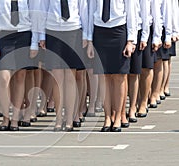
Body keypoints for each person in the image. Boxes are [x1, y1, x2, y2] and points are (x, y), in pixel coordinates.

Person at [0, 0, 40, 131]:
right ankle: (6, 118)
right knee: (4, 78)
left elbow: (35, 15)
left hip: (24, 33)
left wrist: (34, 43)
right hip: (4, 34)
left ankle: (15, 118)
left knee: (20, 77)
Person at [88, 0, 137, 132]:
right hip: (99, 31)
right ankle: (107, 117)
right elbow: (90, 11)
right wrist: (89, 40)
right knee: (104, 77)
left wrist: (131, 40)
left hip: (119, 30)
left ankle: (118, 118)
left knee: (119, 76)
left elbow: (131, 12)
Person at [40, 0, 88, 131]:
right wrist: (41, 36)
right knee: (57, 78)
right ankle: (58, 118)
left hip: (73, 30)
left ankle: (69, 118)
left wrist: (86, 35)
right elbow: (43, 9)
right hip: (53, 30)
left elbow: (83, 10)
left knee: (70, 78)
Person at [149, 0, 172, 109]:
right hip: (144, 26)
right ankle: (148, 92)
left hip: (160, 27)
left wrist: (170, 33)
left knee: (159, 62)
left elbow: (169, 10)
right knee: (146, 66)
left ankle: (156, 92)